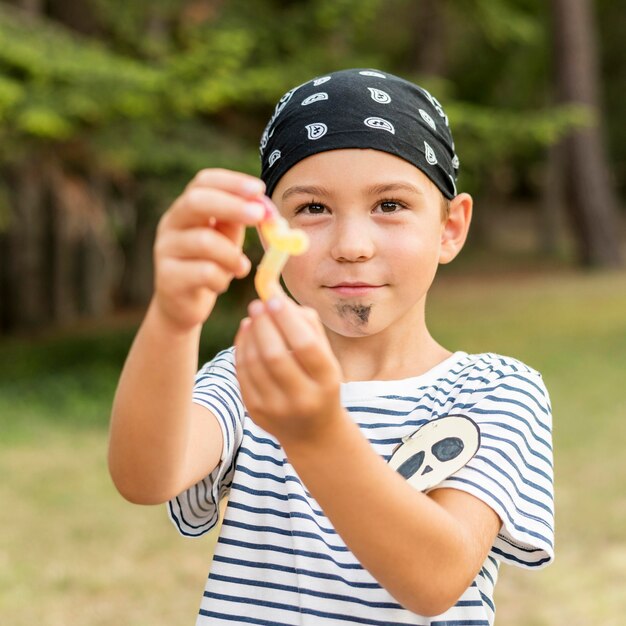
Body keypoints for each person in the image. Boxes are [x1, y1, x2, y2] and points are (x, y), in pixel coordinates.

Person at [108, 68, 554, 625]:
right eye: (313, 209)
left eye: (390, 204)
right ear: (271, 231)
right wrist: (173, 318)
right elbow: (146, 477)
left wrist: (316, 432)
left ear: (450, 228)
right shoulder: (251, 375)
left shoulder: (496, 391)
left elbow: (435, 579)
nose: (351, 246)